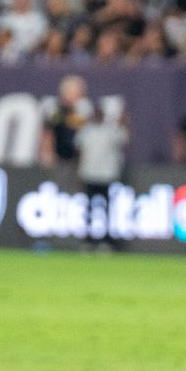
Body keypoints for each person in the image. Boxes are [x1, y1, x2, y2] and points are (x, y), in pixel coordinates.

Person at [75, 105, 128, 249]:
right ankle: (87, 239)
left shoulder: (111, 131)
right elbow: (79, 148)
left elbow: (124, 139)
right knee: (89, 209)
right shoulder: (87, 131)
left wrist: (123, 122)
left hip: (106, 175)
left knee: (107, 209)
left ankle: (106, 240)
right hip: (90, 174)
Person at [41, 74, 92, 167]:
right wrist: (47, 153)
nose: (81, 97)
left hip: (78, 159)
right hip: (59, 157)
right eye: (78, 93)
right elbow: (49, 133)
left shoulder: (83, 111)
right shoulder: (56, 110)